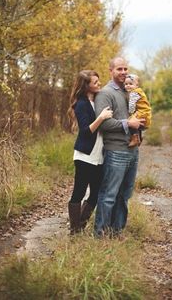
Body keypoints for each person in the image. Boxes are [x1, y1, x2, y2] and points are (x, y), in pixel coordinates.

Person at [94, 57, 145, 237]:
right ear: (111, 71)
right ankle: (100, 234)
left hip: (133, 150)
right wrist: (128, 124)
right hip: (116, 151)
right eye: (119, 69)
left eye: (125, 69)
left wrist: (141, 124)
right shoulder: (105, 94)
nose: (123, 72)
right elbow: (103, 124)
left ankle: (117, 232)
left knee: (124, 196)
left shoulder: (131, 92)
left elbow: (138, 115)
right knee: (109, 194)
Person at [67, 70, 113, 235]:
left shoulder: (99, 100)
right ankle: (75, 231)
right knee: (78, 193)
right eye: (95, 82)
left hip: (99, 157)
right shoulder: (81, 104)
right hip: (85, 156)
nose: (99, 84)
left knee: (95, 194)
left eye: (98, 81)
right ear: (86, 86)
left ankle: (80, 226)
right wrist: (101, 117)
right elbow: (86, 131)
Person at [124, 74, 152, 147]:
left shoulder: (134, 93)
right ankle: (140, 137)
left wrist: (130, 112)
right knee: (138, 124)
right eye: (126, 84)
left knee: (131, 121)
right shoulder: (139, 91)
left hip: (141, 111)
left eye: (130, 84)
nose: (128, 85)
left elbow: (132, 104)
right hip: (145, 111)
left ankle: (135, 138)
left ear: (136, 85)